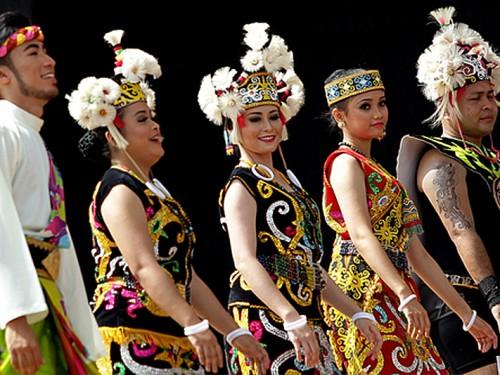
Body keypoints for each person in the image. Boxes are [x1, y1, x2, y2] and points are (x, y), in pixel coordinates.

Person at [66, 29, 270, 374]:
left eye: (153, 117)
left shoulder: (152, 190)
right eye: (143, 120)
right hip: (133, 332)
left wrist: (233, 332)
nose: (156, 127)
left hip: (172, 328)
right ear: (113, 133)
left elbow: (184, 275)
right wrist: (192, 323)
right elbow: (145, 267)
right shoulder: (118, 190)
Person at [198, 22, 382, 374]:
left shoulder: (287, 181)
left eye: (273, 117)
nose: (268, 127)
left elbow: (306, 266)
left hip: (305, 315)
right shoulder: (241, 186)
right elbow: (246, 261)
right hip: (266, 317)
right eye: (255, 119)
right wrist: (289, 317)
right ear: (234, 126)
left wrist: (354, 311)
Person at [321, 67, 498, 374]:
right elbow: (361, 235)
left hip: (398, 289)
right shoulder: (345, 163)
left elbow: (414, 251)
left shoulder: (379, 170)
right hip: (364, 291)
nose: (378, 113)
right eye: (365, 106)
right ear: (340, 117)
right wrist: (403, 295)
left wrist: (467, 315)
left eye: (381, 103)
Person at [397, 6, 500, 374]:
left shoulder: (490, 156)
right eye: (476, 97)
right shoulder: (440, 160)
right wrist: (495, 299)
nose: (489, 105)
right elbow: (460, 230)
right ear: (448, 101)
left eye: (492, 94)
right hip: (466, 304)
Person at [0, 11, 104, 375]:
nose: (49, 60)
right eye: (33, 52)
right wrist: (13, 315)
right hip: (21, 313)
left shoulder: (30, 135)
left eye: (45, 49)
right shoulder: (3, 130)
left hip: (46, 300)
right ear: (2, 74)